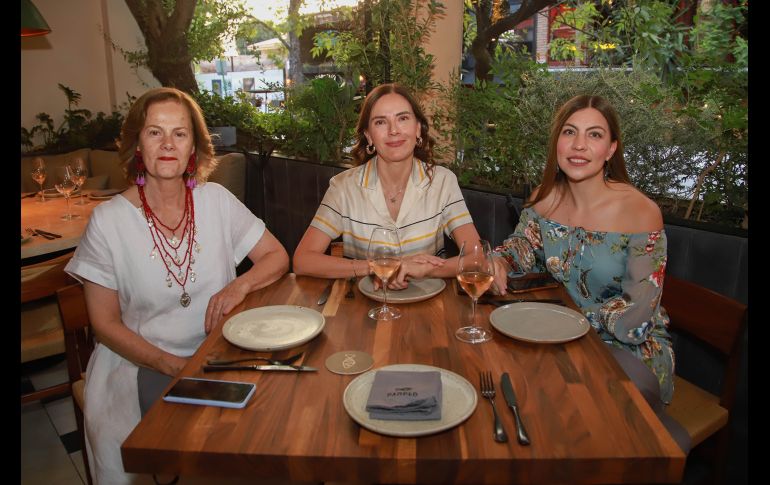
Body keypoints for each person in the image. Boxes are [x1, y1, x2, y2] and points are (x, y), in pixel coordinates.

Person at [64, 87, 290, 484]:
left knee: (278, 427)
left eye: (180, 133)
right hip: (142, 362)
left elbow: (277, 256)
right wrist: (177, 368)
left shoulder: (216, 200)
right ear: (137, 145)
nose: (168, 144)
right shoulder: (108, 222)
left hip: (220, 353)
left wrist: (238, 287)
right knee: (208, 443)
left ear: (194, 149)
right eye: (155, 132)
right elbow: (105, 325)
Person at [496, 94, 690, 453]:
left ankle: (656, 446)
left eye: (595, 135)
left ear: (611, 149)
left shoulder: (640, 212)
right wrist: (498, 262)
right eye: (570, 132)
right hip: (558, 340)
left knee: (567, 419)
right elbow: (518, 251)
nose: (579, 145)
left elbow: (637, 315)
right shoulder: (545, 198)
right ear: (557, 141)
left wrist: (563, 322)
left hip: (627, 348)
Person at [292, 83, 507, 291]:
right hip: (365, 310)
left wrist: (424, 270)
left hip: (430, 310)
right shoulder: (343, 187)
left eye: (403, 118)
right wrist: (377, 267)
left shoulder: (442, 182)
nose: (394, 130)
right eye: (380, 122)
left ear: (418, 129)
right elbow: (303, 260)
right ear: (368, 136)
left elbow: (477, 257)